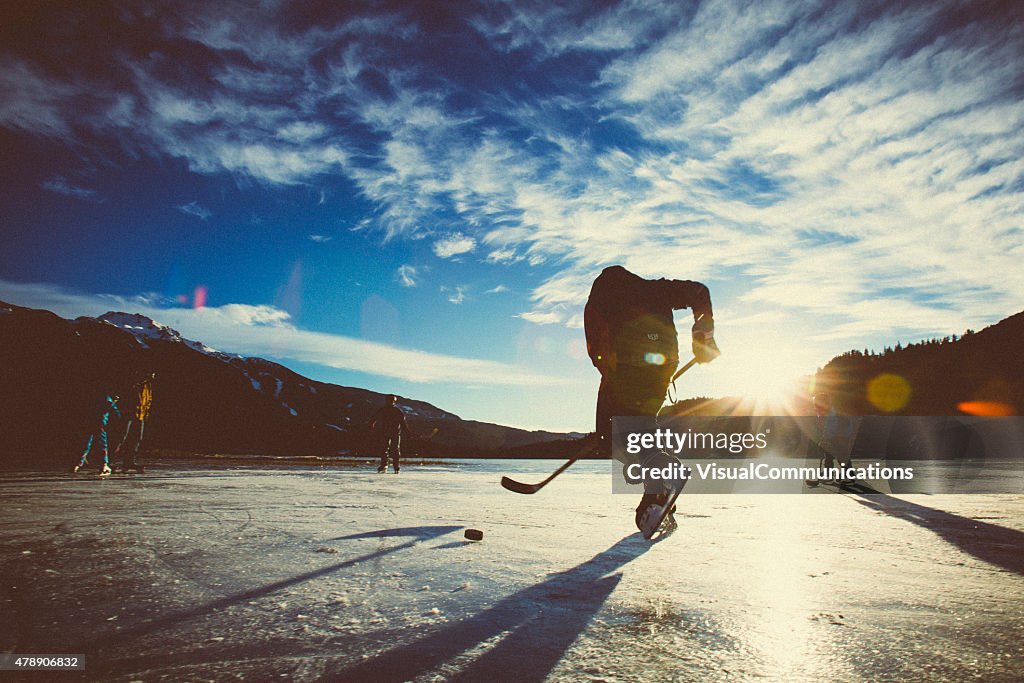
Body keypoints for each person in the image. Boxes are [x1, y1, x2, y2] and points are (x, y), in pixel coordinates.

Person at [584, 265, 720, 530]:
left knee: (612, 437)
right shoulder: (656, 288)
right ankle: (656, 498)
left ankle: (663, 479)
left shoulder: (600, 298)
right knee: (638, 431)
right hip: (662, 365)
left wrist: (606, 370)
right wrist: (704, 337)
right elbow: (699, 292)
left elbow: (595, 341)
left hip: (626, 367)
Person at [72, 392, 122, 476]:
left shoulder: (92, 397)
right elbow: (116, 413)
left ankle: (77, 464)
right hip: (100, 424)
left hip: (88, 423)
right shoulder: (108, 400)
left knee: (86, 443)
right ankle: (104, 465)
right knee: (102, 445)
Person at [115, 372, 155, 473]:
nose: (153, 376)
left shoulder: (148, 385)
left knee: (136, 438)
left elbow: (148, 400)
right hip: (129, 414)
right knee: (121, 437)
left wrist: (145, 413)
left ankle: (129, 461)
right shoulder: (134, 383)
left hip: (140, 415)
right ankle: (110, 461)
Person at [371, 395, 409, 473]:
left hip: (395, 433)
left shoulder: (398, 412)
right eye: (388, 401)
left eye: (391, 401)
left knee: (395, 449)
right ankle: (384, 465)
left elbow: (403, 423)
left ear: (394, 402)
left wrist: (407, 432)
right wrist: (371, 424)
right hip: (384, 432)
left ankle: (396, 466)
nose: (389, 402)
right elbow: (374, 418)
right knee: (384, 448)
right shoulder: (382, 410)